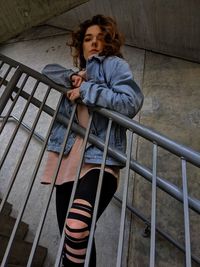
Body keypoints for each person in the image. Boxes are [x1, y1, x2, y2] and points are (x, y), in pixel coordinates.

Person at [41, 14, 143, 267]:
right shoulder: (77, 73)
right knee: (74, 238)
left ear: (108, 43)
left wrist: (88, 89)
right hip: (67, 158)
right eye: (88, 39)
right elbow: (47, 71)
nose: (94, 43)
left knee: (76, 227)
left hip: (100, 157)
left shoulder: (114, 65)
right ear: (81, 45)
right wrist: (76, 77)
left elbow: (130, 103)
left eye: (100, 38)